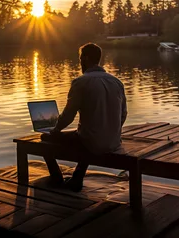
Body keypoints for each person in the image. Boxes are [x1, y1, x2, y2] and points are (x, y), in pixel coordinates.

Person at [41, 43, 127, 191]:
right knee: (86, 134)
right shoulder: (117, 82)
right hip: (114, 142)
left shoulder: (81, 82)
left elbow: (68, 116)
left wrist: (55, 130)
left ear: (85, 59)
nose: (80, 62)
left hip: (90, 142)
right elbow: (123, 115)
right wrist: (111, 130)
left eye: (80, 58)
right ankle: (77, 178)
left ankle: (57, 179)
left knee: (45, 139)